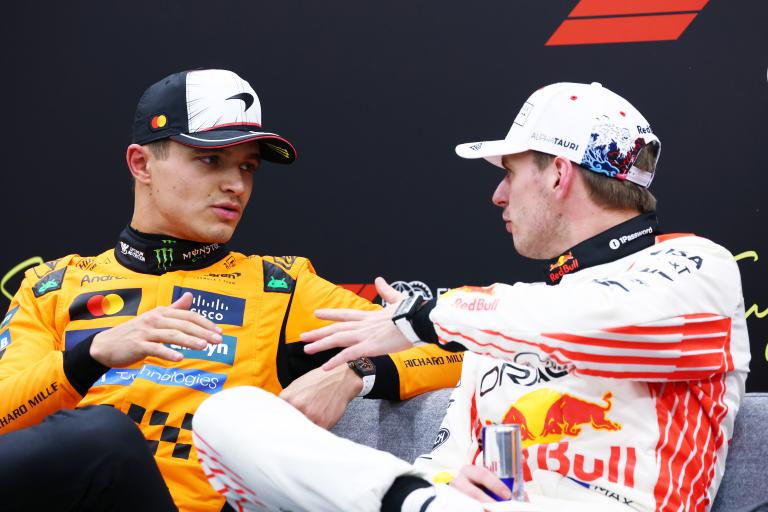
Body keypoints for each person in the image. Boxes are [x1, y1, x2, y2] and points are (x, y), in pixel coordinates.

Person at [190, 82, 750, 512]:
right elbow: (446, 455)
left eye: (509, 172)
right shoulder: (499, 322)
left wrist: (424, 318)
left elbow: (602, 323)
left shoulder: (697, 266)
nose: (498, 195)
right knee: (229, 414)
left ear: (558, 174)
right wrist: (442, 483)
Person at [0, 69, 461, 511]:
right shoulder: (51, 287)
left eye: (248, 167)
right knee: (97, 435)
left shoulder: (280, 288)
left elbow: (459, 347)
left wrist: (357, 372)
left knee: (106, 436)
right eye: (210, 160)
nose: (236, 185)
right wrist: (91, 355)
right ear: (141, 164)